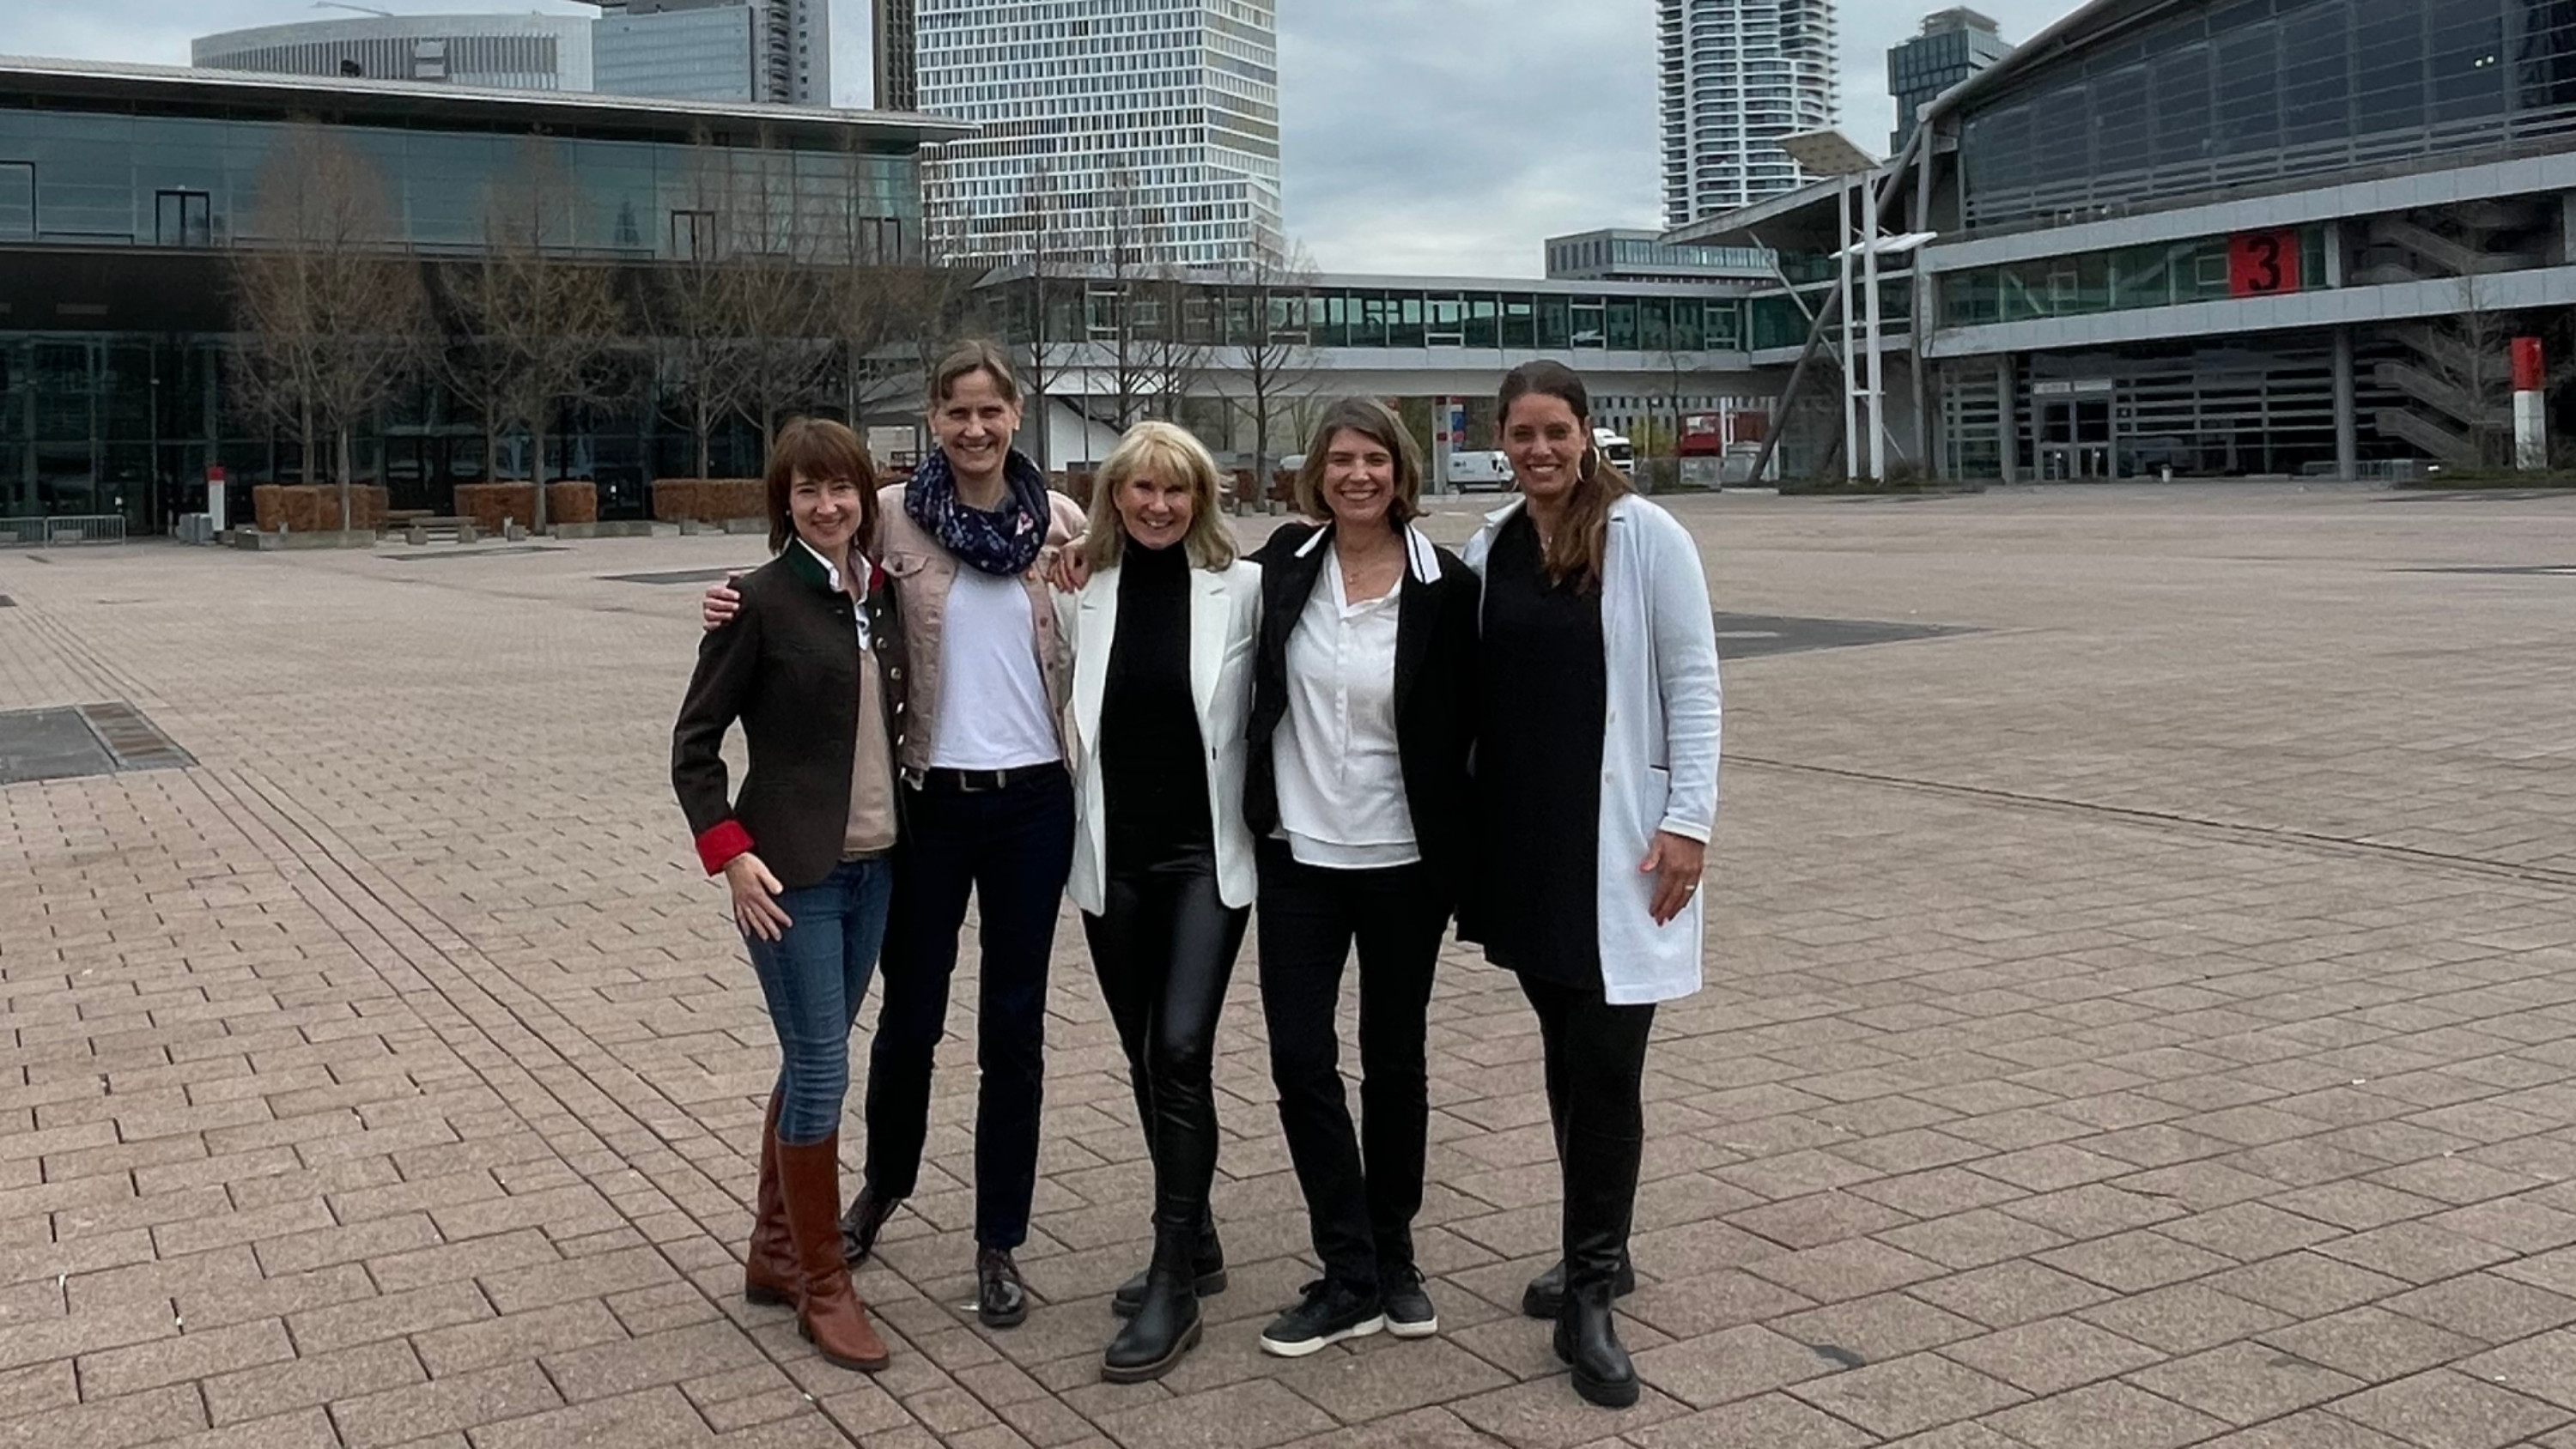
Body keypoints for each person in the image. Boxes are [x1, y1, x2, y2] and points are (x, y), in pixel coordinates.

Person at [701, 343, 1085, 1329]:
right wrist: (723, 597)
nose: (974, 428)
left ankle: (999, 1235)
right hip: (932, 804)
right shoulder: (892, 518)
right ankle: (880, 1187)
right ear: (931, 416)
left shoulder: (1062, 521)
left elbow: (1170, 530)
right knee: (909, 1017)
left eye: (991, 411)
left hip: (1036, 800)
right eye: (955, 411)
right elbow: (806, 555)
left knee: (1015, 1025)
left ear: (1016, 413)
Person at [1461, 361, 1721, 1410]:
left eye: (1556, 431)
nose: (1539, 450)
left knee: (1610, 1057)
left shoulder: (1646, 534)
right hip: (1529, 840)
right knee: (1566, 1046)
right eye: (1522, 434)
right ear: (1501, 440)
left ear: (1587, 433)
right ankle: (1591, 1252)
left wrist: (1689, 821)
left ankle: (1595, 1292)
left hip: (1623, 841)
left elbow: (1693, 676)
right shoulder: (1493, 545)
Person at [1240, 400, 1479, 1358]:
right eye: (1340, 459)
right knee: (1301, 1058)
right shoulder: (1279, 570)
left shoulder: (1446, 586)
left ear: (1401, 471)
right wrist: (1079, 562)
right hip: (1299, 852)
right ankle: (1346, 1268)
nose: (1357, 475)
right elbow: (1181, 576)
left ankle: (1395, 1252)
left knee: (1396, 1058)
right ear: (1317, 472)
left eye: (1373, 458)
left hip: (1402, 861)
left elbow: (1480, 723)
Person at [672, 419, 908, 1373]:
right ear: (786, 502)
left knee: (815, 1055)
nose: (827, 504)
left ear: (864, 495)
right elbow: (694, 745)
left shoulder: (882, 596)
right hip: (791, 877)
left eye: (842, 488)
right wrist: (728, 853)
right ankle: (823, 1283)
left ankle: (775, 1250)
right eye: (807, 490)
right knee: (821, 1067)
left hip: (879, 864)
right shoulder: (757, 602)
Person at [1059, 421, 1261, 1383]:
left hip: (1201, 863)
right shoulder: (1075, 592)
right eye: (1139, 488)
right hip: (1114, 864)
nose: (1157, 505)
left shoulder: (1244, 590)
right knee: (1147, 1056)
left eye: (1176, 489)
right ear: (1113, 496)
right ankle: (1203, 1237)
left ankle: (1172, 1272)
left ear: (1200, 498)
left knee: (1182, 1049)